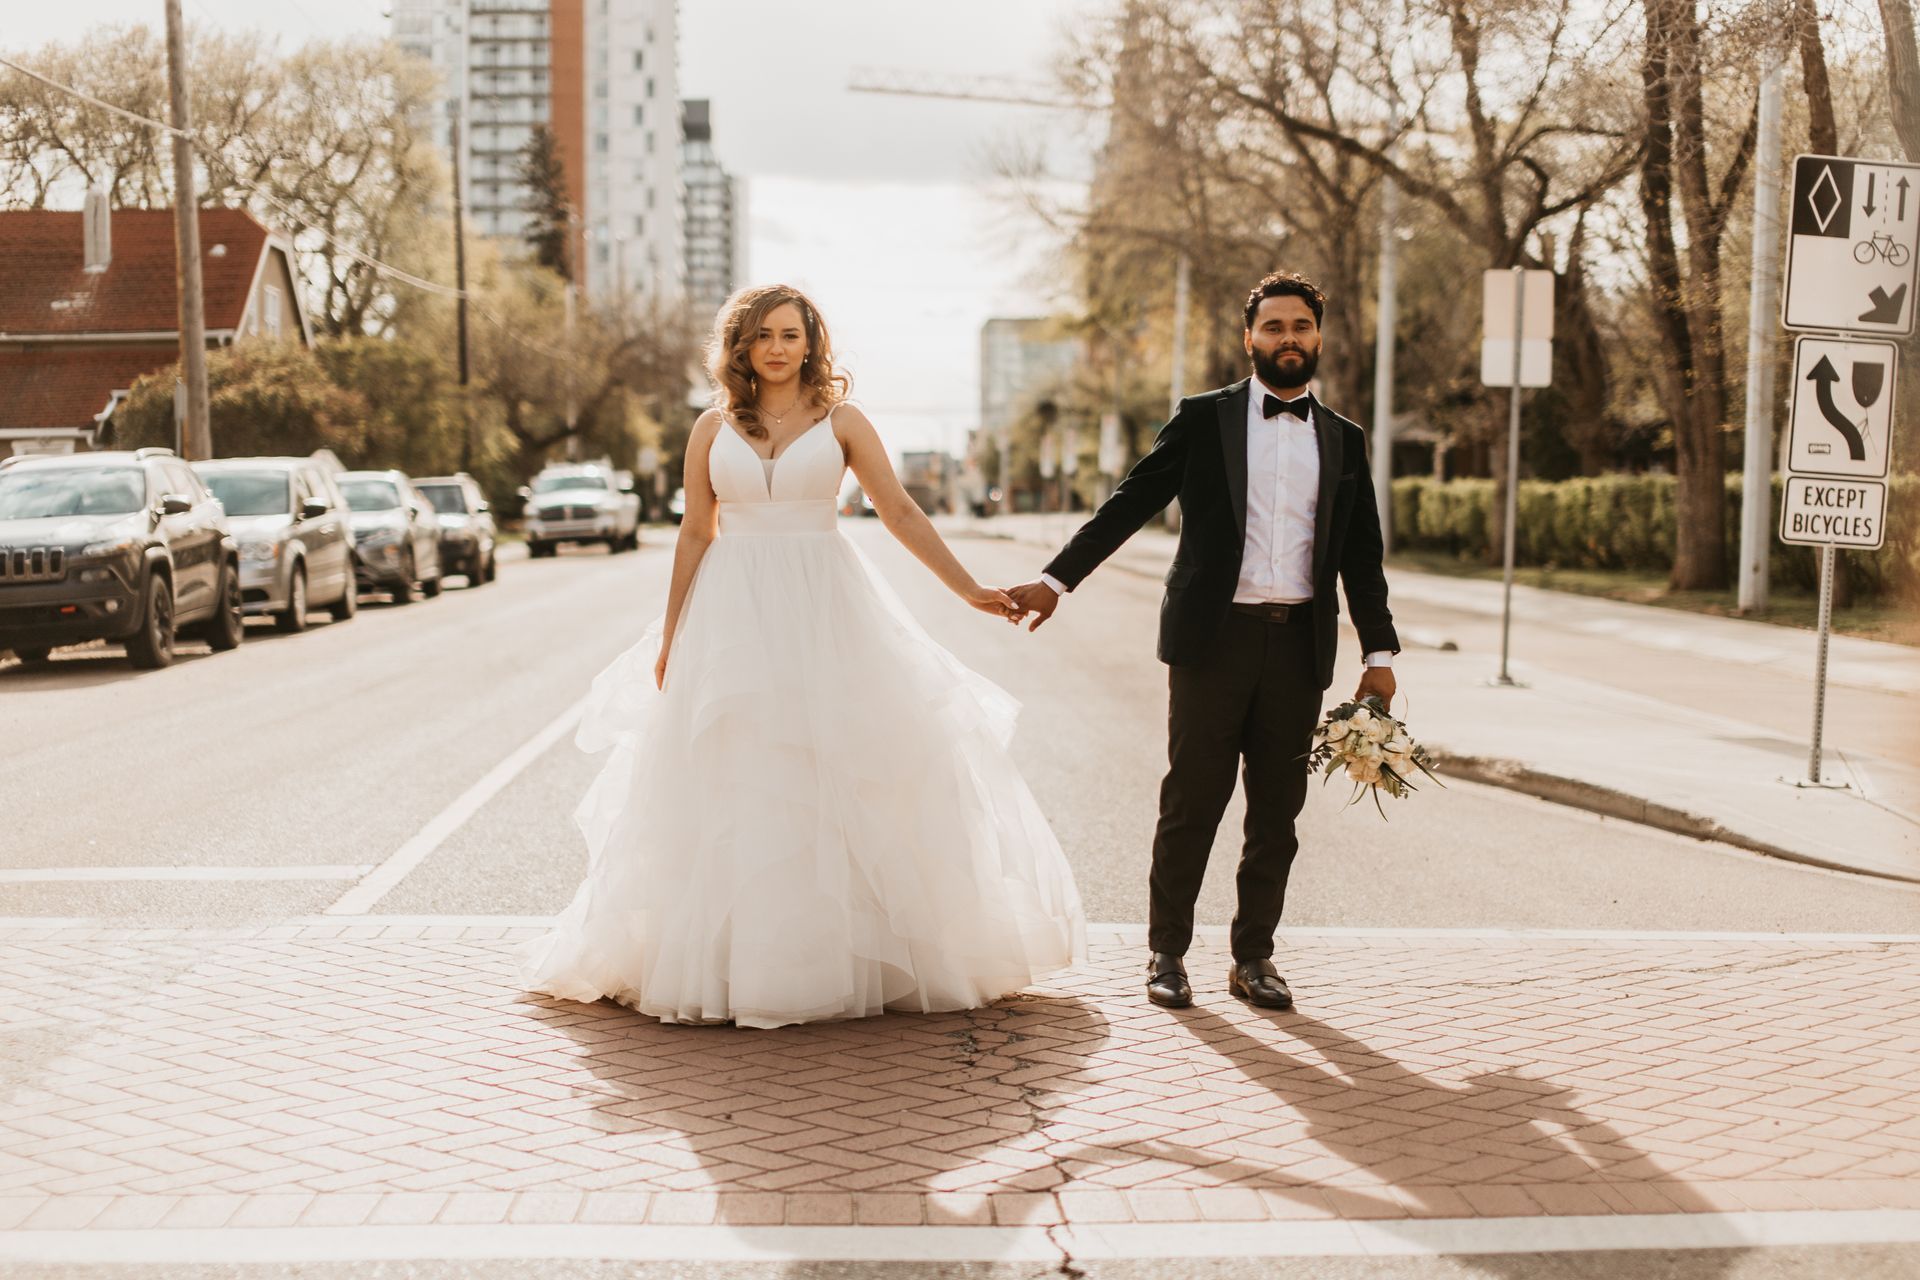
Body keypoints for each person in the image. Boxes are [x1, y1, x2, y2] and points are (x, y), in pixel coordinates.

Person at [518, 284, 1086, 1029]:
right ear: (742, 348)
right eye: (763, 336)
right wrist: (671, 633)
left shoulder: (842, 420)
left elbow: (901, 510)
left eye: (791, 335)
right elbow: (696, 531)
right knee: (741, 772)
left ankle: (847, 955)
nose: (778, 348)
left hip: (827, 604)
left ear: (811, 345)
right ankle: (734, 957)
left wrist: (969, 589)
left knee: (839, 768)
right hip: (732, 611)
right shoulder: (710, 427)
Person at [1005, 271, 1399, 1012]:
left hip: (1297, 650)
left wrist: (1379, 656)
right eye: (1274, 327)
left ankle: (1255, 958)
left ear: (1319, 337)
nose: (1289, 339)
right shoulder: (1204, 418)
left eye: (1301, 327)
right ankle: (1167, 953)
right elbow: (1131, 501)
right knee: (1192, 803)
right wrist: (1056, 583)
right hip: (1211, 644)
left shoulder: (1344, 439)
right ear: (1249, 338)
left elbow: (1361, 553)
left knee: (1276, 815)